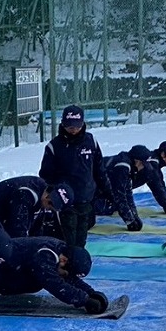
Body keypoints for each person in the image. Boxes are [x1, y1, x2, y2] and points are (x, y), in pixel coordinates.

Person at [38, 105, 107, 248]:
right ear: (63, 124)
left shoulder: (91, 142)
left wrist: (106, 191)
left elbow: (99, 169)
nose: (74, 130)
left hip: (86, 199)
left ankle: (77, 257)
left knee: (81, 238)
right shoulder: (54, 146)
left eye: (77, 126)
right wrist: (54, 194)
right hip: (64, 202)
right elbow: (46, 175)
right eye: (70, 127)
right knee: (67, 239)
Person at [0, 236, 109, 315]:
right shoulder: (44, 255)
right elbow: (55, 284)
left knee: (44, 278)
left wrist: (90, 292)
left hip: (9, 268)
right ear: (64, 261)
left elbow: (69, 278)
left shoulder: (62, 251)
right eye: (66, 272)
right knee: (39, 281)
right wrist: (84, 300)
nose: (66, 276)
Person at [0, 176, 74, 239]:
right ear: (48, 196)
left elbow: (35, 230)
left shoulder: (41, 197)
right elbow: (17, 230)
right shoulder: (26, 195)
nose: (50, 209)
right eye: (51, 205)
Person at [97, 144, 153, 231]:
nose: (142, 168)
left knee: (117, 206)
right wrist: (130, 221)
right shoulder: (122, 167)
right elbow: (120, 196)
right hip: (90, 189)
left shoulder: (128, 165)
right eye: (143, 165)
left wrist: (134, 216)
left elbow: (128, 193)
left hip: (99, 188)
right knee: (105, 209)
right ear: (137, 161)